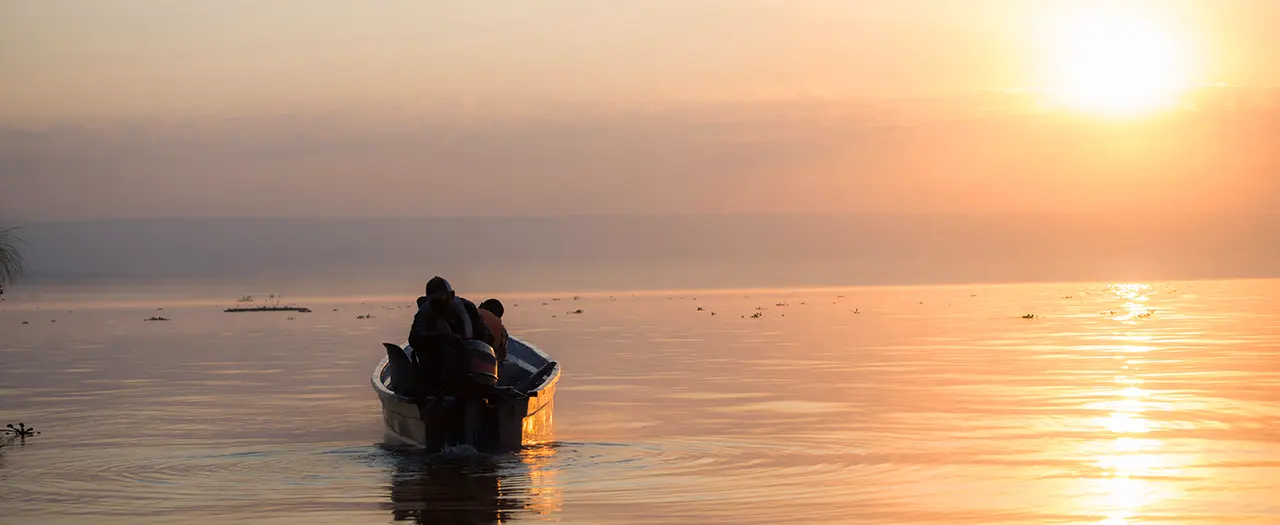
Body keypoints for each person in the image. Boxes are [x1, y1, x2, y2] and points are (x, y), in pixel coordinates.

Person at [407, 276, 494, 386]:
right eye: (435, 302)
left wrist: (474, 346)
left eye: (443, 300)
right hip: (438, 369)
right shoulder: (424, 314)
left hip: (471, 368)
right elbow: (414, 338)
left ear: (452, 295)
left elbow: (487, 336)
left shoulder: (468, 308)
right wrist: (444, 337)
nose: (440, 305)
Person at [478, 298, 509, 369]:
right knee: (514, 366)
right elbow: (502, 356)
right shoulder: (502, 330)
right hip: (490, 367)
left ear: (482, 305)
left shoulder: (469, 316)